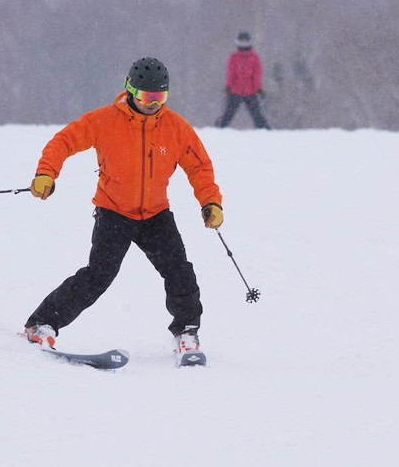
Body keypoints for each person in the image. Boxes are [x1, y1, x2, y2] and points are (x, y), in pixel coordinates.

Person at [22, 57, 224, 357]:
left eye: (160, 97)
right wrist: (46, 173)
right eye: (146, 96)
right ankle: (41, 325)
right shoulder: (104, 120)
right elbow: (63, 141)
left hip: (156, 214)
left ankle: (187, 332)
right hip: (114, 211)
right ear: (130, 90)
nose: (153, 103)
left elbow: (200, 167)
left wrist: (210, 202)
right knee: (98, 276)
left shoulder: (176, 128)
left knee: (179, 272)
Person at [216, 32, 270, 129]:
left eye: (246, 42)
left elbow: (257, 75)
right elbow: (230, 74)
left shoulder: (254, 58)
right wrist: (228, 87)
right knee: (227, 115)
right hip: (235, 91)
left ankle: (266, 133)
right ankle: (218, 131)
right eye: (242, 42)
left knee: (258, 116)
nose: (244, 44)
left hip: (251, 92)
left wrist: (259, 89)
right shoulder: (234, 58)